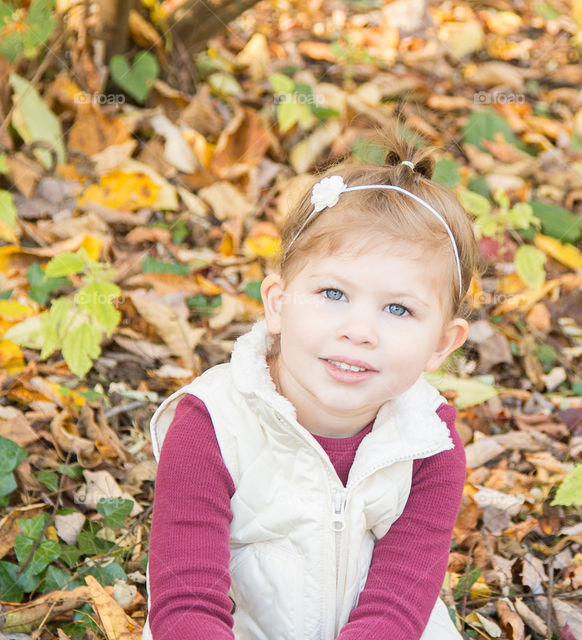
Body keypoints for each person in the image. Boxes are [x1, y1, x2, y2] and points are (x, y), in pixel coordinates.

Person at [142, 132, 483, 640]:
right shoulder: (211, 426)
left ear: (442, 342)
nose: (359, 330)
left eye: (397, 308)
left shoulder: (427, 443)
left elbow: (398, 604)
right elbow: (186, 601)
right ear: (278, 302)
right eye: (332, 293)